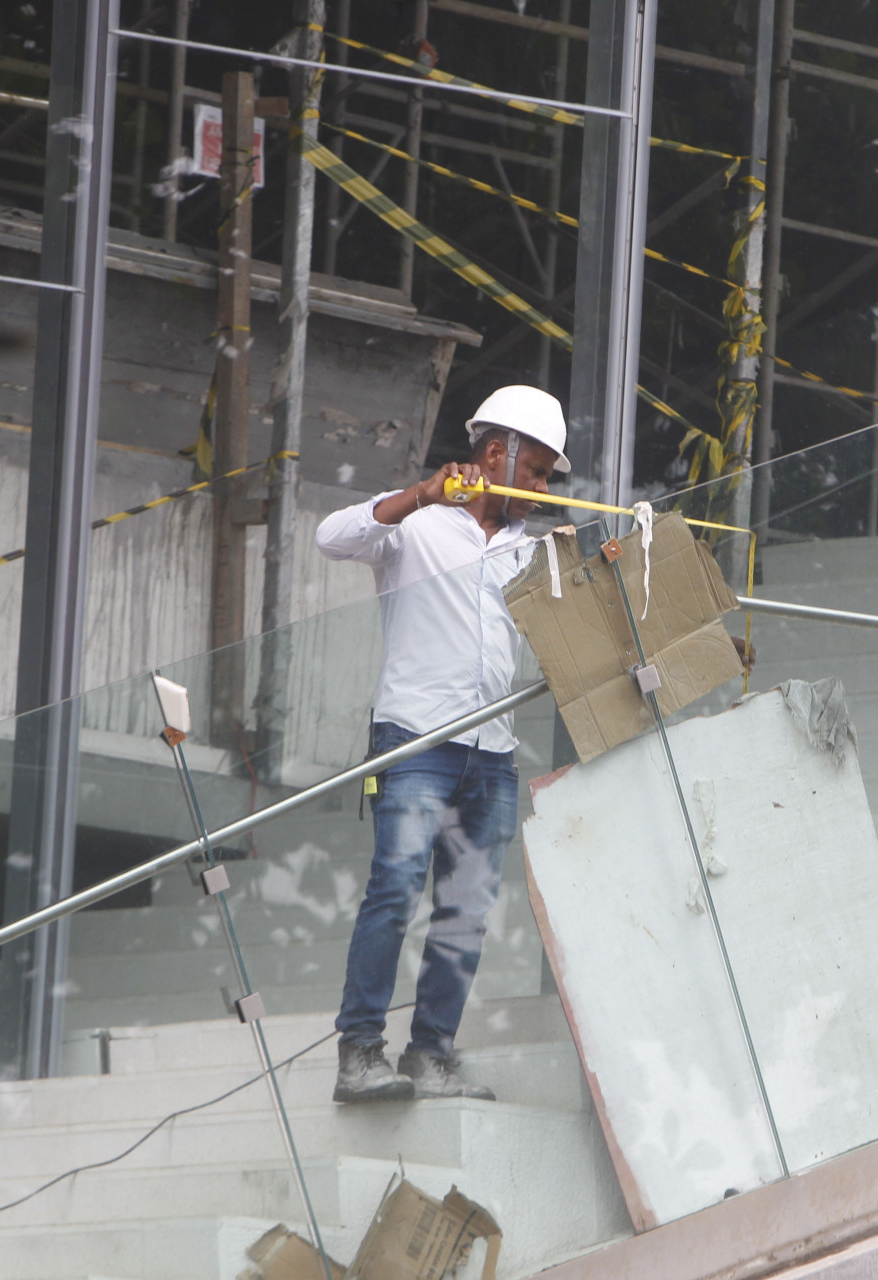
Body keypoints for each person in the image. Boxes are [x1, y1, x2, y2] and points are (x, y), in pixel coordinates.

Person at [313, 384, 566, 1104]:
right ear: (497, 454)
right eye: (539, 472)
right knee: (393, 892)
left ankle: (432, 1054)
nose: (544, 489)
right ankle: (360, 1051)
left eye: (550, 476)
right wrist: (421, 493)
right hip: (416, 741)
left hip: (493, 756)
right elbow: (334, 537)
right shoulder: (419, 524)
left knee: (466, 907)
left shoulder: (533, 551)